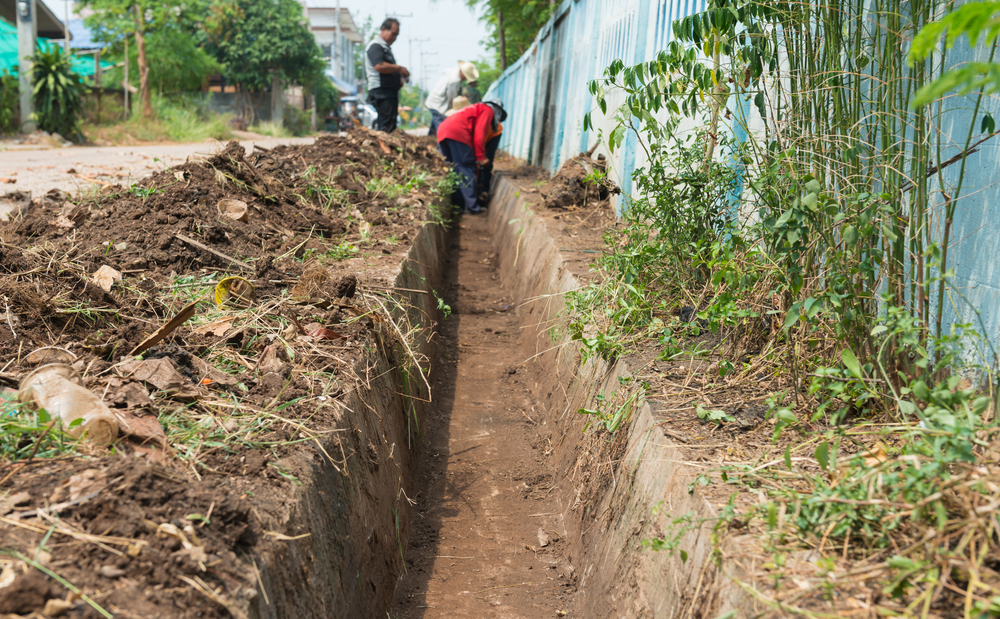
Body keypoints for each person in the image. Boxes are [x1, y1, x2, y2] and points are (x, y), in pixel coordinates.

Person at [436, 100, 507, 215]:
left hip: (443, 131)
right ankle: (472, 207)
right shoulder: (488, 110)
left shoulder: (475, 108)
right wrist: (480, 157)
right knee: (466, 169)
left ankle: (458, 205)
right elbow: (480, 133)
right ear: (497, 111)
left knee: (455, 169)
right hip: (458, 132)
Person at [364, 19, 408, 133]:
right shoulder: (375, 46)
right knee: (385, 126)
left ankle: (385, 143)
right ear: (383, 29)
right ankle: (383, 144)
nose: (394, 38)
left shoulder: (385, 48)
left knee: (390, 125)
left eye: (396, 35)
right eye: (393, 34)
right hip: (381, 92)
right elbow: (379, 66)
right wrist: (399, 68)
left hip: (388, 92)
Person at [425, 61, 479, 137]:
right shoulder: (454, 81)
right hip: (438, 105)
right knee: (442, 128)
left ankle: (429, 140)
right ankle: (440, 142)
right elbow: (453, 100)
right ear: (463, 73)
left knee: (435, 126)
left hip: (437, 103)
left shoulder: (455, 71)